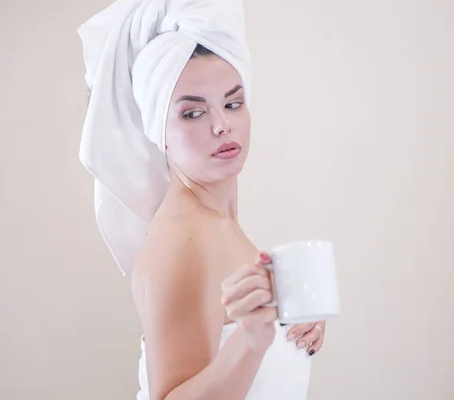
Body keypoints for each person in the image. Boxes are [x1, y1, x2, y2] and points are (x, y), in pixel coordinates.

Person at [77, 1, 326, 398]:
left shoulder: (216, 226)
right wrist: (251, 340)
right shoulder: (187, 240)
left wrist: (286, 325)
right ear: (159, 131)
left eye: (232, 103)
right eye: (192, 113)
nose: (221, 124)